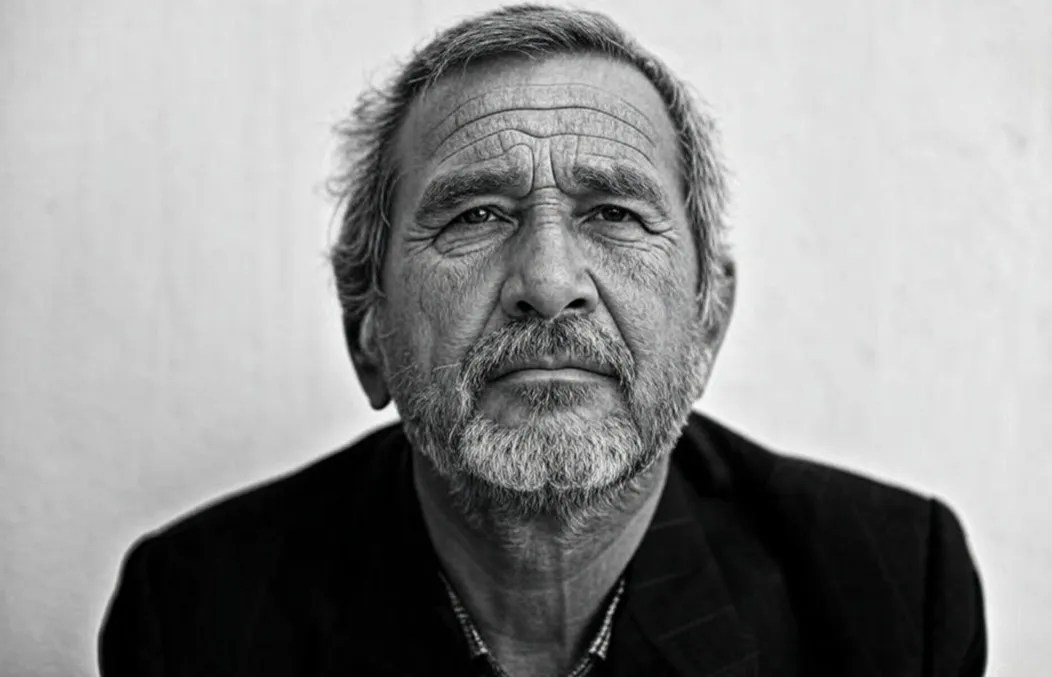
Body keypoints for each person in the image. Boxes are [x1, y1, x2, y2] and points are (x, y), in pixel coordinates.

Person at [98, 5, 986, 676]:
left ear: (709, 318)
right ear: (366, 328)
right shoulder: (194, 618)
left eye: (614, 212)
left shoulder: (889, 591)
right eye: (476, 215)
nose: (550, 281)